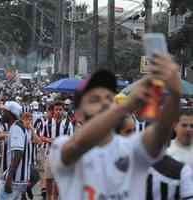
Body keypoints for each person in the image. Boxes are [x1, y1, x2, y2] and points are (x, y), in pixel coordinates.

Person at [49, 54, 181, 200]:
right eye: (94, 99)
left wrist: (175, 94)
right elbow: (76, 145)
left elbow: (161, 132)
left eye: (109, 98)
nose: (105, 103)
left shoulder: (132, 147)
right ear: (78, 114)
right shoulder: (61, 145)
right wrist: (126, 106)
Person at [0, 101, 31, 199]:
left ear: (10, 114)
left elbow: (18, 153)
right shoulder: (17, 127)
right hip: (16, 181)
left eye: (4, 111)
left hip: (13, 181)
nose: (2, 114)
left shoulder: (16, 128)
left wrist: (8, 179)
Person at [42, 101, 74, 200]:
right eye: (56, 109)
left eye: (60, 110)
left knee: (57, 188)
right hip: (49, 155)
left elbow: (71, 140)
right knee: (48, 184)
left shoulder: (68, 124)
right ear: (53, 110)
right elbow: (42, 136)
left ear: (63, 111)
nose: (58, 111)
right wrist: (50, 140)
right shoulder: (48, 123)